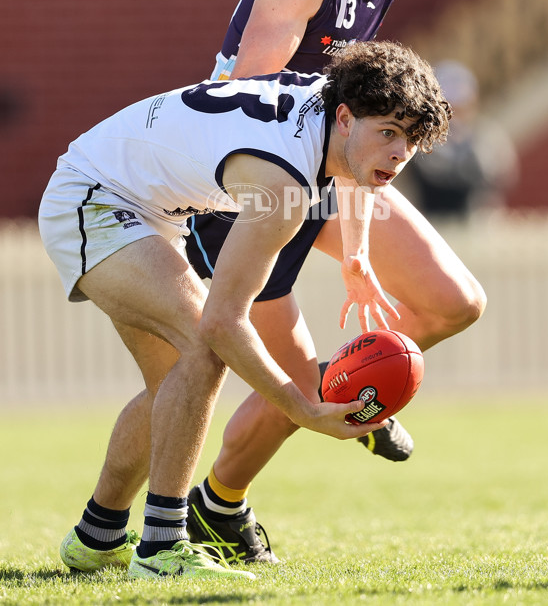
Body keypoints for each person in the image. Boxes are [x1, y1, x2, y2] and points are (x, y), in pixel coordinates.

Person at [182, 0, 548, 563]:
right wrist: (335, 217)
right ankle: (221, 506)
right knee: (305, 391)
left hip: (328, 169)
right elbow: (249, 107)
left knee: (452, 301)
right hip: (249, 187)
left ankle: (348, 388)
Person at [39, 40, 450, 580]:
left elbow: (356, 171)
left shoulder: (332, 106)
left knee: (173, 385)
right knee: (204, 349)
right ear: (347, 118)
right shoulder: (283, 187)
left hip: (135, 201)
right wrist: (302, 408)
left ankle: (97, 537)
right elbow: (224, 321)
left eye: (412, 139)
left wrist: (356, 256)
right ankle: (162, 548)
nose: (400, 154)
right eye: (389, 133)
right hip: (96, 198)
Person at [406, 60, 519, 218]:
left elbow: (502, 175)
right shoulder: (420, 139)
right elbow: (431, 177)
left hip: (478, 222)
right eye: (449, 108)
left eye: (461, 107)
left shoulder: (488, 137)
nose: (455, 116)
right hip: (433, 221)